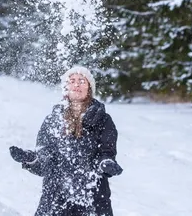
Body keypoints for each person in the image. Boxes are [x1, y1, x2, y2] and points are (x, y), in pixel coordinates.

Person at [9, 65, 123, 216]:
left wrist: (105, 163)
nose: (76, 84)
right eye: (72, 80)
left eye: (82, 81)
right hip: (54, 200)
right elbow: (45, 163)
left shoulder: (103, 120)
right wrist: (31, 160)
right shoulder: (52, 120)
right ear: (66, 87)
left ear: (89, 88)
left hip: (92, 199)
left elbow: (106, 153)